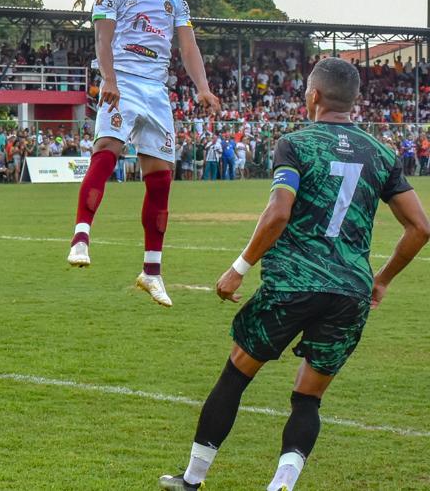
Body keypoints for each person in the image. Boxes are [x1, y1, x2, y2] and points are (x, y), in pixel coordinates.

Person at [159, 58, 430, 491]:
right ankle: (281, 484)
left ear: (314, 96)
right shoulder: (381, 153)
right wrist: (381, 279)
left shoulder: (296, 144)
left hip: (293, 284)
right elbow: (421, 227)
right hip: (350, 292)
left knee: (236, 375)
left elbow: (278, 212)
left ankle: (191, 479)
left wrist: (238, 268)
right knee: (308, 398)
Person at [68, 0, 220, 307]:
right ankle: (81, 238)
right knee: (107, 149)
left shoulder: (174, 0)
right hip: (122, 80)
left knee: (161, 179)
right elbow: (102, 41)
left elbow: (187, 46)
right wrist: (109, 79)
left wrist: (203, 87)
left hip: (156, 91)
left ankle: (152, 272)